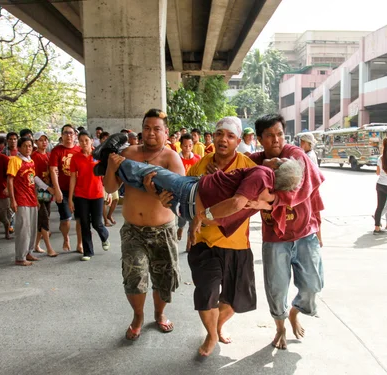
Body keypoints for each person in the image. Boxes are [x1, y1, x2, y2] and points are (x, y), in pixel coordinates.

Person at [97, 135, 301, 236]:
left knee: (150, 173)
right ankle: (106, 167)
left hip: (189, 194)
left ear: (278, 167)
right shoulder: (267, 197)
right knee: (146, 182)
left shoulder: (263, 173)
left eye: (280, 160)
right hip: (190, 201)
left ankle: (112, 156)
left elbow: (237, 203)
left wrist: (204, 216)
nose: (276, 158)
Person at [102, 109, 184, 342]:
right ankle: (138, 317)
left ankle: (159, 314)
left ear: (166, 133)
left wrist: (155, 194)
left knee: (164, 277)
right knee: (134, 276)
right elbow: (109, 188)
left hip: (163, 230)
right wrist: (111, 165)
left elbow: (179, 196)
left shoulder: (171, 158)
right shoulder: (128, 153)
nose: (151, 132)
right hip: (133, 230)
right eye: (147, 127)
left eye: (157, 129)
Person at [248, 114, 325, 351]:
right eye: (269, 135)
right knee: (276, 288)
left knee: (313, 286)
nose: (276, 139)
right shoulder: (254, 161)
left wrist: (319, 228)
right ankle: (280, 326)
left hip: (305, 233)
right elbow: (234, 170)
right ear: (260, 139)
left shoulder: (296, 155)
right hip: (274, 238)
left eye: (280, 133)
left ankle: (295, 312)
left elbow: (309, 191)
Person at [186, 117, 258, 356]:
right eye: (219, 134)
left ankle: (217, 327)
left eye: (230, 136)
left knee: (233, 301)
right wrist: (189, 227)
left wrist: (221, 182)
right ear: (213, 137)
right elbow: (188, 196)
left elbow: (246, 202)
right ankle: (212, 335)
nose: (223, 140)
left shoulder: (248, 167)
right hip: (205, 241)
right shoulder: (201, 163)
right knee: (206, 294)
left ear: (238, 141)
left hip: (237, 243)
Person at [68, 131, 111, 261]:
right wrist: (70, 198)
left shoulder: (98, 155)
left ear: (92, 141)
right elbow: (73, 178)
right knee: (84, 223)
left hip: (97, 193)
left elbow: (105, 175)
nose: (84, 143)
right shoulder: (75, 157)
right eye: (81, 141)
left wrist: (108, 192)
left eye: (86, 140)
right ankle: (88, 252)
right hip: (81, 195)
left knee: (97, 223)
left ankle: (104, 236)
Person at [49, 124, 83, 253]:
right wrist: (56, 190)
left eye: (71, 133)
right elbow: (53, 170)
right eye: (65, 133)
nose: (68, 135)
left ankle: (80, 244)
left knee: (80, 218)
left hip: (78, 190)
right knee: (66, 219)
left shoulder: (80, 150)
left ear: (75, 135)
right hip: (63, 189)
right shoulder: (57, 151)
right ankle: (66, 238)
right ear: (61, 135)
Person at [7, 137, 40, 266]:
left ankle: (28, 252)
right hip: (21, 199)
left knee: (32, 228)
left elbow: (32, 182)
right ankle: (20, 257)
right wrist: (12, 200)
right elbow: (10, 180)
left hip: (31, 199)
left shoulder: (31, 161)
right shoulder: (15, 160)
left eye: (30, 146)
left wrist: (36, 198)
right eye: (25, 146)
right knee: (23, 229)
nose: (28, 148)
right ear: (19, 148)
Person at [31, 131, 58, 257]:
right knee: (44, 218)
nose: (44, 142)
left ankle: (36, 245)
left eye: (45, 140)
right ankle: (49, 247)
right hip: (38, 192)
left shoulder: (48, 155)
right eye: (41, 140)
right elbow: (34, 176)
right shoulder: (34, 156)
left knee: (43, 218)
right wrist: (47, 187)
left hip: (48, 191)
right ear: (36, 142)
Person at [174, 133, 202, 248]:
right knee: (181, 214)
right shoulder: (176, 158)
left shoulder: (197, 159)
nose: (188, 148)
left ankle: (189, 242)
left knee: (192, 215)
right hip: (180, 191)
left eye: (190, 145)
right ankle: (180, 228)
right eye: (185, 146)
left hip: (193, 192)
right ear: (181, 145)